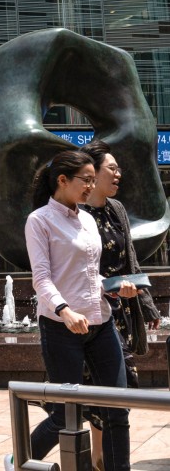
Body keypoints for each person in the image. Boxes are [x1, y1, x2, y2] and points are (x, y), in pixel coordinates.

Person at [8, 150, 131, 471]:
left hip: (101, 323)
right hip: (61, 328)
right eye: (86, 180)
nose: (91, 186)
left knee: (117, 409)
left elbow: (90, 274)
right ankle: (18, 458)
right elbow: (42, 278)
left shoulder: (88, 219)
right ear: (62, 180)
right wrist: (64, 311)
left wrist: (114, 285)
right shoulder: (39, 221)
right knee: (65, 413)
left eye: (93, 179)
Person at [79, 140, 160, 469]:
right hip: (94, 316)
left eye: (118, 169)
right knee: (106, 387)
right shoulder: (78, 215)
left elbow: (131, 261)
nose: (118, 174)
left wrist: (148, 303)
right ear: (92, 175)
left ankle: (101, 455)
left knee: (118, 386)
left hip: (123, 313)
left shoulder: (118, 210)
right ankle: (102, 456)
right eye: (112, 168)